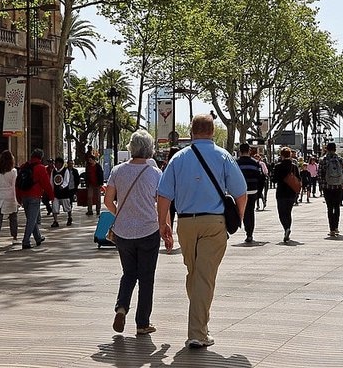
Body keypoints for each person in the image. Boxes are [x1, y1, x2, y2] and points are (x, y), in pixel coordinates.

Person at [157, 114, 247, 349]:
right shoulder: (223, 156)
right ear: (213, 131)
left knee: (196, 274)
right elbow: (241, 191)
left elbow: (163, 195)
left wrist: (162, 223)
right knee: (203, 277)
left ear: (193, 131)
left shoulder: (178, 158)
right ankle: (197, 332)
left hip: (186, 223)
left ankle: (201, 326)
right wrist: (238, 216)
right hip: (213, 223)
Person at [105, 129, 163, 336]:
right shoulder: (155, 174)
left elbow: (107, 201)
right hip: (148, 230)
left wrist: (120, 213)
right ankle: (142, 323)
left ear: (131, 148)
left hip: (123, 232)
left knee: (129, 273)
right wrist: (165, 226)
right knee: (147, 277)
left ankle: (121, 308)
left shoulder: (117, 171)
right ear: (149, 150)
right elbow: (162, 203)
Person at [16, 148, 54, 249]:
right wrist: (51, 196)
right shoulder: (41, 168)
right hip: (35, 196)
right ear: (41, 157)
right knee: (32, 220)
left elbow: (18, 183)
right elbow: (46, 184)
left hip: (24, 195)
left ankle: (38, 238)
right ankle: (26, 241)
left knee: (31, 218)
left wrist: (18, 196)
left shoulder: (24, 166)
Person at [0, 150, 19, 248]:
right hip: (10, 196)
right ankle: (14, 238)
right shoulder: (13, 171)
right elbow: (15, 186)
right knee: (13, 218)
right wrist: (17, 200)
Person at [236, 143, 264, 243]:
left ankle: (246, 229)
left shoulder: (236, 163)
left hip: (240, 191)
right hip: (253, 190)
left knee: (242, 211)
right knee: (250, 212)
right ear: (249, 151)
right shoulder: (256, 163)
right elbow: (261, 178)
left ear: (240, 151)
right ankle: (250, 233)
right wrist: (260, 191)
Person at [271, 147, 300, 243]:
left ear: (281, 155)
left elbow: (274, 179)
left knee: (281, 213)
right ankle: (287, 228)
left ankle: (286, 228)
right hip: (291, 192)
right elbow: (299, 179)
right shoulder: (294, 166)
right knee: (288, 212)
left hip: (281, 192)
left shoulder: (278, 166)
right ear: (290, 155)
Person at [317, 142, 343, 236]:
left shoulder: (323, 160)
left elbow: (320, 174)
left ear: (326, 149)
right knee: (337, 207)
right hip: (338, 186)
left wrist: (321, 186)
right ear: (335, 149)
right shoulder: (340, 159)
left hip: (327, 186)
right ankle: (336, 227)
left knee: (329, 207)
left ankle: (332, 229)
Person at [50, 156, 77, 228]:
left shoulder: (66, 171)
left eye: (58, 163)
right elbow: (51, 181)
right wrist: (51, 189)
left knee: (67, 207)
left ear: (61, 164)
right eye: (56, 163)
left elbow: (66, 181)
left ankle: (69, 217)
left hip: (64, 193)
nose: (56, 165)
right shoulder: (53, 171)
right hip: (56, 193)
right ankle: (55, 221)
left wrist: (62, 186)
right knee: (55, 207)